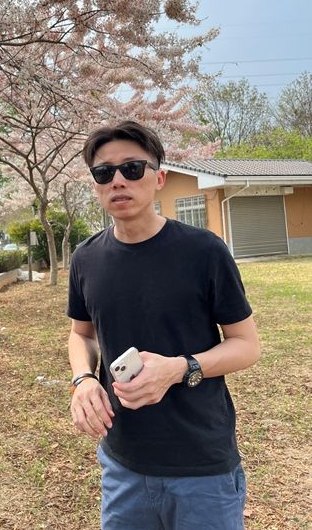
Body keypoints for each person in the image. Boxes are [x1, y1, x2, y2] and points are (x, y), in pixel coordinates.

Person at [67, 120, 260, 530]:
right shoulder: (85, 258)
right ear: (95, 185)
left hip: (202, 467)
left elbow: (246, 344)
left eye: (132, 168)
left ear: (159, 178)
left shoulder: (204, 251)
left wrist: (179, 368)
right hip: (122, 463)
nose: (118, 180)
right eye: (104, 172)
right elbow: (81, 334)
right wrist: (83, 379)